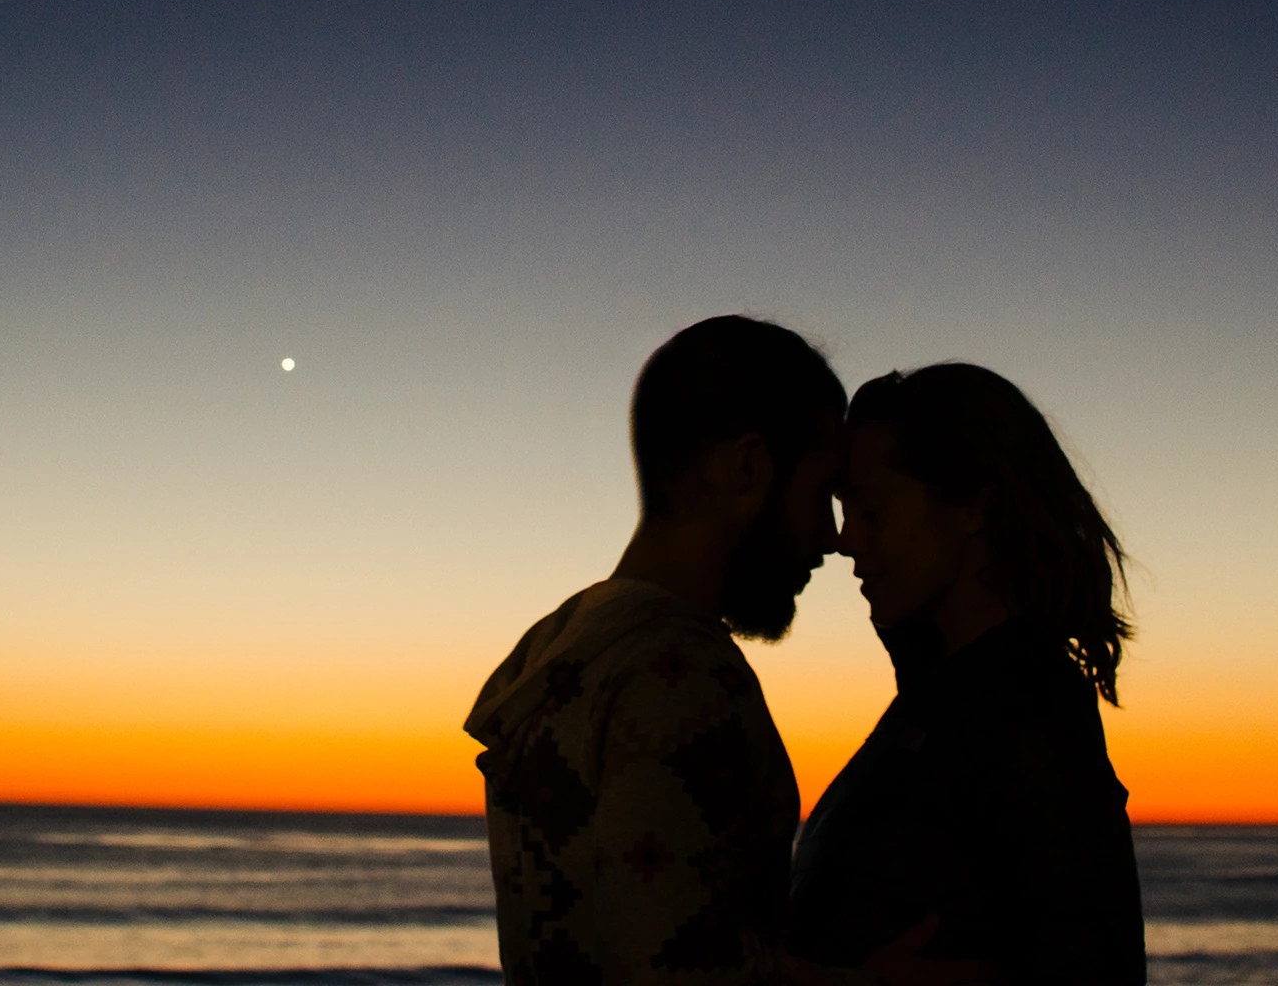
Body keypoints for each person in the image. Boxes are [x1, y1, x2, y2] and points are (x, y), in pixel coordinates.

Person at [464, 316, 843, 985]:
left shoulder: (561, 644)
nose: (832, 539)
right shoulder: (680, 670)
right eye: (822, 496)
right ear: (750, 468)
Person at [786, 363, 1147, 985]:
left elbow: (1091, 961)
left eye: (870, 512)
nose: (846, 542)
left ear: (974, 506)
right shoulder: (946, 701)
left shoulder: (1023, 711)